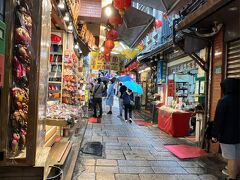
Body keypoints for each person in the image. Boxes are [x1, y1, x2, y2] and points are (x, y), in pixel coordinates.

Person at [212, 78, 240, 180]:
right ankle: (236, 175)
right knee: (237, 156)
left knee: (231, 158)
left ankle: (232, 177)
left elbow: (218, 119)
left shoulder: (224, 100)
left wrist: (214, 134)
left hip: (227, 135)